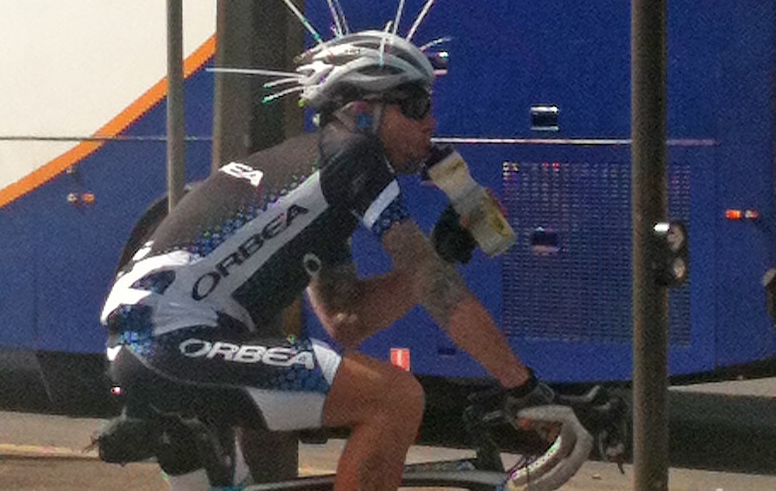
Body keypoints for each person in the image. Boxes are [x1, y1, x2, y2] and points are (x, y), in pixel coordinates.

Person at [99, 29, 553, 491]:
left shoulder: (315, 187)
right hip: (170, 339)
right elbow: (435, 289)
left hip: (155, 345)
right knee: (393, 399)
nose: (431, 123)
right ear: (362, 114)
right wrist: (521, 386)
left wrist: (445, 251)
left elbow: (347, 318)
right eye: (415, 105)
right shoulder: (355, 156)